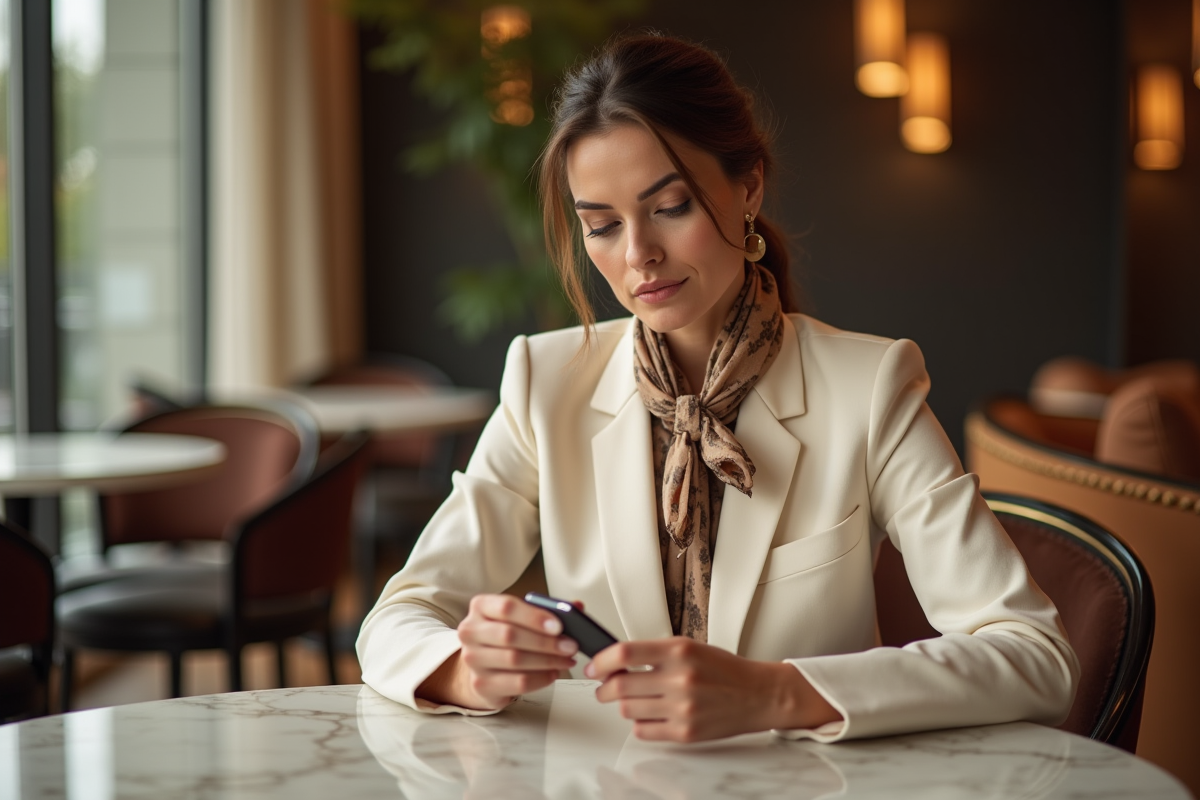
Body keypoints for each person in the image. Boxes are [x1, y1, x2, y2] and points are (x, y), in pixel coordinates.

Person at [358, 33, 1078, 744]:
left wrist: (776, 693)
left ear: (749, 188)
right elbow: (397, 619)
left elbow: (1035, 656)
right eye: (602, 226)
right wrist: (465, 668)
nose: (638, 255)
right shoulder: (547, 384)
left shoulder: (870, 386)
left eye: (670, 207)